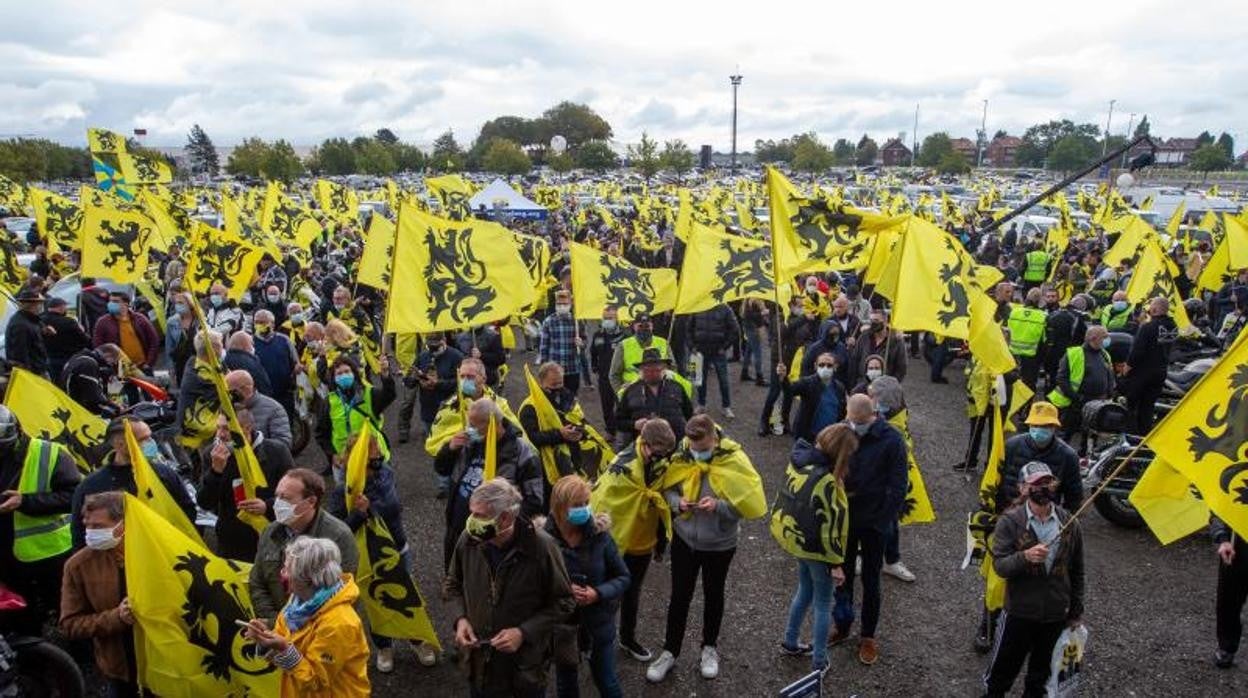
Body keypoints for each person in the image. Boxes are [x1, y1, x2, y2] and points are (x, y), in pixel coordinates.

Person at [647, 414, 766, 683]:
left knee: (714, 595)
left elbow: (747, 503)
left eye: (702, 449)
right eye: (692, 448)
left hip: (720, 544)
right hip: (684, 539)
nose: (696, 453)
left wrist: (720, 506)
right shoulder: (683, 454)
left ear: (714, 438)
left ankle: (709, 648)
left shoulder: (735, 460)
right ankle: (670, 651)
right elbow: (668, 488)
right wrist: (679, 503)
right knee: (679, 596)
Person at [444, 478, 575, 698]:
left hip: (524, 671)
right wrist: (460, 620)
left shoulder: (542, 548)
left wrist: (523, 632)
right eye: (471, 512)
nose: (472, 521)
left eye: (480, 515)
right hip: (480, 668)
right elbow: (452, 584)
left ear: (505, 517)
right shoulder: (469, 539)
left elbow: (565, 602)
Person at [327, 432, 438, 671]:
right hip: (368, 556)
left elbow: (394, 506)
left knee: (407, 595)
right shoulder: (343, 491)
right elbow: (339, 531)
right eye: (372, 453)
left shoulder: (386, 473)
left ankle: (418, 640)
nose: (377, 456)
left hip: (397, 547)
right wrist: (360, 513)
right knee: (377, 602)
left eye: (377, 451)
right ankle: (384, 647)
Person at [984, 462, 1085, 697]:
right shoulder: (1010, 522)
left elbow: (1078, 570)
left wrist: (1076, 611)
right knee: (1001, 675)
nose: (1043, 488)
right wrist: (1025, 557)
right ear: (1022, 488)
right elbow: (1000, 566)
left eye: (1047, 482)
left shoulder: (1070, 523)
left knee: (1040, 678)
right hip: (1019, 614)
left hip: (1055, 616)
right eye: (1036, 483)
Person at [588, 418, 677, 663]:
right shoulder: (622, 467)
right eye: (659, 453)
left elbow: (659, 501)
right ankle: (595, 638)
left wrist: (660, 543)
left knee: (632, 591)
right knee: (608, 592)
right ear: (645, 444)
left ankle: (627, 638)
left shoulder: (662, 461)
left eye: (666, 453)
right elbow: (604, 501)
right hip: (617, 542)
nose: (662, 457)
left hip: (642, 541)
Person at [830, 394, 907, 666]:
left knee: (872, 581)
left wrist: (882, 519)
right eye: (851, 421)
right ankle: (842, 624)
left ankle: (868, 635)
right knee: (843, 576)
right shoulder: (843, 429)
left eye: (860, 423)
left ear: (873, 415)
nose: (855, 427)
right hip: (845, 521)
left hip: (875, 524)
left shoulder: (892, 440)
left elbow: (899, 486)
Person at [773, 424, 856, 672]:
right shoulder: (828, 481)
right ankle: (819, 660)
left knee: (804, 591)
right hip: (820, 552)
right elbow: (832, 527)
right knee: (822, 603)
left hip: (798, 542)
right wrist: (836, 564)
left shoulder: (800, 461)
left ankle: (790, 640)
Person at [243, 536, 370, 697]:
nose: (282, 574)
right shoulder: (299, 601)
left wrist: (283, 648)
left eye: (288, 569)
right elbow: (282, 636)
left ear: (307, 579)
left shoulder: (339, 624)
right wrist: (265, 639)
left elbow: (316, 681)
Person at [546, 475, 630, 698]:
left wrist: (598, 593)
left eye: (586, 502)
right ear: (560, 507)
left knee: (607, 680)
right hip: (562, 626)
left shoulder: (600, 536)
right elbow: (532, 584)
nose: (584, 509)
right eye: (577, 504)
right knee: (566, 684)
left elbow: (623, 577)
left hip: (598, 623)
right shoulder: (543, 540)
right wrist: (562, 591)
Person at [0, 405, 81, 636]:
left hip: (49, 553)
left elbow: (74, 496)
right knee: (18, 615)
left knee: (66, 607)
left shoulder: (50, 454)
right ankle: (32, 659)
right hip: (6, 557)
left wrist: (25, 502)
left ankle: (80, 658)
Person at [434, 397, 543, 568]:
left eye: (475, 425)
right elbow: (441, 469)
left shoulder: (521, 452)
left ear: (494, 423)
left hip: (492, 535)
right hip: (458, 528)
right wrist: (449, 449)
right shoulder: (469, 442)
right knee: (456, 571)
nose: (469, 429)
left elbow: (534, 500)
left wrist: (502, 526)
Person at [249, 469, 359, 623]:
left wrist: (294, 626)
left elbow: (340, 595)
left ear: (311, 502)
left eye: (286, 498)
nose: (278, 503)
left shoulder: (338, 537)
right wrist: (276, 622)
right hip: (277, 630)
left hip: (317, 633)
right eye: (277, 496)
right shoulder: (270, 532)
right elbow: (257, 581)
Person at [59, 492, 139, 698]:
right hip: (120, 669)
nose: (90, 533)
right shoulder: (77, 566)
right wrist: (116, 618)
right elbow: (69, 624)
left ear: (123, 524)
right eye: (87, 526)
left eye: (98, 526)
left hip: (161, 662)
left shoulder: (151, 553)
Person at [69, 416, 194, 548]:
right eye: (143, 439)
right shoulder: (93, 485)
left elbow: (187, 511)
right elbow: (79, 532)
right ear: (120, 445)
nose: (151, 442)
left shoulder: (164, 474)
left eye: (150, 437)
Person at [198, 409, 293, 561]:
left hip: (273, 537)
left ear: (247, 428)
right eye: (218, 428)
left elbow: (295, 496)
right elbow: (205, 502)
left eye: (226, 429)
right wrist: (215, 472)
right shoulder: (213, 454)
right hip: (232, 541)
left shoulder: (276, 451)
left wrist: (267, 506)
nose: (220, 435)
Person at [315, 355, 395, 474]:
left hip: (373, 457)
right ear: (334, 378)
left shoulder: (368, 393)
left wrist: (385, 374)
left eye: (347, 371)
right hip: (344, 460)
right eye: (339, 374)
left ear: (354, 373)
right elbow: (321, 433)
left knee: (381, 490)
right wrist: (332, 454)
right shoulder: (329, 402)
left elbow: (389, 395)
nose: (344, 376)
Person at [518, 362, 588, 488]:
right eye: (553, 384)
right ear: (541, 383)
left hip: (572, 461)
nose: (558, 388)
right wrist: (560, 434)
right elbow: (530, 439)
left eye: (560, 383)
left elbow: (582, 422)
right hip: (545, 469)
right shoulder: (530, 407)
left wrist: (580, 433)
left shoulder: (569, 399)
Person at [1048, 325, 1114, 447]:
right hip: (1075, 404)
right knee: (1066, 434)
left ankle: (1086, 457)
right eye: (1104, 336)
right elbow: (1061, 379)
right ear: (1093, 338)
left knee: (1090, 436)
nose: (1107, 339)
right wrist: (1077, 398)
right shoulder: (1074, 353)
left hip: (1097, 404)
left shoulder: (1105, 354)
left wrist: (1110, 394)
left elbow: (1109, 375)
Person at [613, 348, 693, 448]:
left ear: (664, 369)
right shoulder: (631, 391)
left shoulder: (677, 387)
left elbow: (690, 416)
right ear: (641, 370)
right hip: (645, 450)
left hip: (677, 449)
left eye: (656, 369)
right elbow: (618, 421)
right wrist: (634, 425)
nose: (652, 372)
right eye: (647, 369)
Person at [1124, 297, 1178, 435]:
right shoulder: (1173, 326)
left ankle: (1131, 435)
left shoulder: (1148, 327)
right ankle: (1145, 434)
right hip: (1161, 371)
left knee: (1132, 404)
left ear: (1154, 309)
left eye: (1151, 307)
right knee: (1148, 406)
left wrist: (1128, 366)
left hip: (1142, 372)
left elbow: (1138, 351)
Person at [397, 333, 463, 444]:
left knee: (448, 446)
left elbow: (461, 383)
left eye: (436, 346)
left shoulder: (457, 357)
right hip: (428, 410)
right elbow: (409, 382)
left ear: (444, 340)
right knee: (432, 443)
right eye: (430, 346)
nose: (433, 349)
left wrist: (439, 383)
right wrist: (415, 378)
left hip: (449, 411)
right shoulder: (423, 356)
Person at [688, 302, 740, 419]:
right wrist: (692, 347)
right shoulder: (697, 306)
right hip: (699, 350)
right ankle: (701, 404)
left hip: (718, 351)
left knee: (723, 380)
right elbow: (688, 329)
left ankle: (726, 406)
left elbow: (735, 329)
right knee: (698, 379)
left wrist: (724, 347)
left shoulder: (725, 308)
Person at [781, 351, 848, 443]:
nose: (825, 368)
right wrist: (784, 379)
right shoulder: (807, 383)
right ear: (815, 366)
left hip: (830, 438)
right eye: (821, 365)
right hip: (809, 438)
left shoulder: (840, 387)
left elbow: (842, 411)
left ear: (835, 367)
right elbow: (790, 390)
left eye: (829, 365)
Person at [1212, 513, 1248, 669]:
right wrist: (1222, 539)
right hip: (1236, 549)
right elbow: (1217, 510)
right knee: (1228, 602)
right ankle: (1227, 647)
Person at [92, 291, 159, 373]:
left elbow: (154, 341)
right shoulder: (102, 322)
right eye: (110, 301)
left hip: (143, 368)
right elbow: (98, 346)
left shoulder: (140, 319)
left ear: (126, 304)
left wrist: (148, 363)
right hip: (120, 372)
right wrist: (110, 367)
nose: (111, 304)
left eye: (115, 301)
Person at [227, 369, 292, 450]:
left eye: (231, 392)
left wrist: (253, 445)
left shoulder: (274, 409)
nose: (228, 396)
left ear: (246, 389)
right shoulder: (228, 407)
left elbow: (284, 444)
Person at [608, 312, 672, 393]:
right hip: (632, 394)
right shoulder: (623, 345)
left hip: (660, 392)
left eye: (647, 326)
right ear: (634, 327)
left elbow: (673, 370)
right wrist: (621, 394)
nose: (644, 329)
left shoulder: (663, 343)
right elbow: (614, 375)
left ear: (652, 326)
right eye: (640, 326)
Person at [253, 309, 299, 416]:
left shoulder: (284, 340)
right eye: (257, 322)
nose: (260, 325)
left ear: (272, 324)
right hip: (262, 396)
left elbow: (295, 362)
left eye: (263, 322)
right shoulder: (251, 342)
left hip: (285, 394)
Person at [539, 289, 584, 394]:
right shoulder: (549, 322)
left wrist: (581, 343)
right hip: (554, 371)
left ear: (571, 304)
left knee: (572, 398)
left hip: (572, 369)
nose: (562, 306)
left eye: (565, 304)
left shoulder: (577, 321)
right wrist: (543, 371)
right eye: (559, 304)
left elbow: (584, 341)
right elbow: (543, 348)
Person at [589, 307, 625, 437]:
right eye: (605, 318)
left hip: (620, 377)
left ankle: (623, 431)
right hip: (604, 377)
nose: (607, 320)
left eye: (610, 318)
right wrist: (594, 367)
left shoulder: (624, 336)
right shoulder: (598, 335)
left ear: (617, 319)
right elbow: (593, 352)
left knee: (622, 404)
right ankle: (610, 431)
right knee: (606, 405)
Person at [847, 309, 907, 387]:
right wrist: (854, 384)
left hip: (885, 386)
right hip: (863, 383)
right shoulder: (864, 336)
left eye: (876, 320)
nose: (873, 323)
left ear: (885, 322)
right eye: (871, 320)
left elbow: (901, 367)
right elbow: (855, 359)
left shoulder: (896, 341)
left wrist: (892, 385)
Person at [41, 296, 91, 383]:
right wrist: (82, 331)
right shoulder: (69, 322)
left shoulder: (39, 321)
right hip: (68, 359)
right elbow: (85, 340)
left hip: (46, 358)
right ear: (60, 308)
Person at [1006, 288, 1048, 390]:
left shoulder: (1014, 312)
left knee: (1010, 380)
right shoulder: (1043, 316)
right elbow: (1045, 338)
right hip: (1031, 354)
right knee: (1029, 382)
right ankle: (1026, 404)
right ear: (1040, 301)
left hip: (1012, 351)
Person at [6, 288, 50, 377]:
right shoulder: (20, 325)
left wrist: (44, 330)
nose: (41, 306)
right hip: (34, 373)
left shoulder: (30, 319)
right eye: (39, 303)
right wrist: (29, 376)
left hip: (39, 368)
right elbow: (20, 355)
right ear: (32, 305)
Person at [222, 331, 275, 398]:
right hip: (253, 401)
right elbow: (263, 385)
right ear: (244, 345)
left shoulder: (225, 360)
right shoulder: (250, 363)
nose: (253, 347)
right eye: (251, 344)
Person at [165, 291, 199, 385]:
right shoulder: (172, 322)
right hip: (181, 366)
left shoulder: (200, 320)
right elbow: (169, 348)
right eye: (176, 303)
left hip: (199, 365)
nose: (177, 305)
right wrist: (171, 372)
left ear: (190, 304)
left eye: (181, 303)